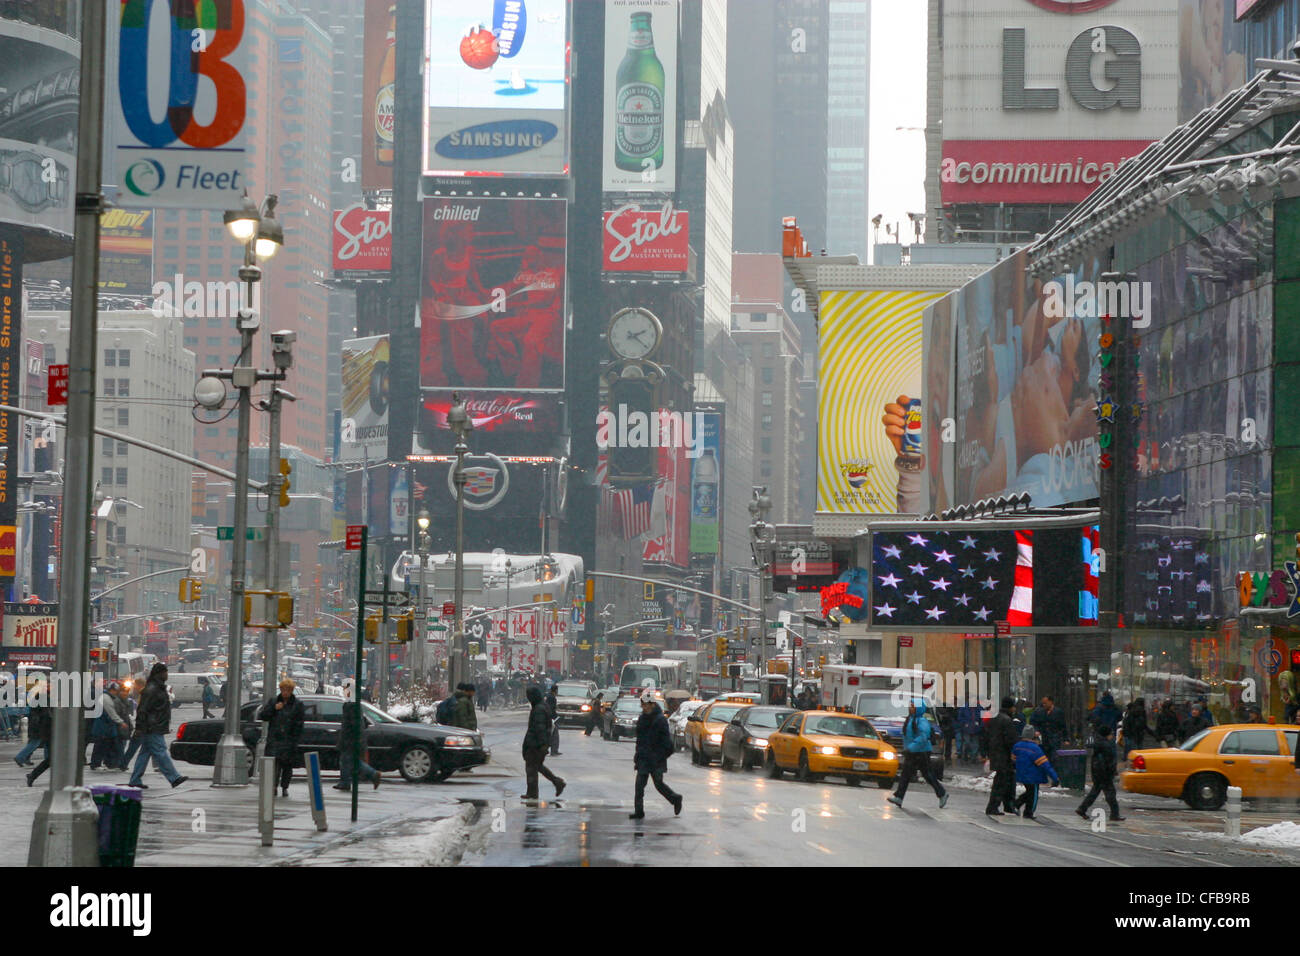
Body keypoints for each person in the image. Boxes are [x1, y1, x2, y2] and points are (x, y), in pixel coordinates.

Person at [127, 663, 189, 789]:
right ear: (159, 673)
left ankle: (135, 780)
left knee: (145, 753)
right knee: (161, 752)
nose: (167, 674)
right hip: (152, 727)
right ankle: (174, 777)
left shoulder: (157, 688)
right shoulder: (152, 689)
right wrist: (139, 727)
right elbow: (142, 709)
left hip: (153, 726)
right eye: (165, 672)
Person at [888, 699, 948, 809]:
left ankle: (942, 793)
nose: (910, 708)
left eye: (913, 706)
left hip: (921, 752)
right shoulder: (911, 719)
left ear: (918, 708)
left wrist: (911, 748)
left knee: (927, 775)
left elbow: (923, 737)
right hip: (913, 751)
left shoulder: (921, 721)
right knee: (906, 774)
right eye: (910, 705)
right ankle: (899, 797)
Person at [631, 689, 682, 819]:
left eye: (646, 705)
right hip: (643, 758)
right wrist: (638, 755)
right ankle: (639, 812)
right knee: (639, 786)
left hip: (655, 760)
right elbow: (640, 739)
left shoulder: (660, 720)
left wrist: (660, 757)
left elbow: (668, 745)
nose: (644, 708)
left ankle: (675, 799)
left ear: (652, 705)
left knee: (659, 785)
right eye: (643, 705)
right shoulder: (642, 719)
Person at [258, 679, 306, 798]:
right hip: (275, 739)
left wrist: (295, 739)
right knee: (274, 766)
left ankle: (285, 787)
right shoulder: (274, 702)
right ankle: (273, 787)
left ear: (291, 691)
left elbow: (299, 723)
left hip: (289, 740)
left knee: (287, 766)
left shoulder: (297, 704)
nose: (285, 692)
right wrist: (274, 708)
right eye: (283, 690)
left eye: (288, 690)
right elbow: (263, 716)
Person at [521, 686, 565, 800]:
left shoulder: (539, 709)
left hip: (535, 744)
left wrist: (542, 745)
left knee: (531, 768)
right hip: (537, 743)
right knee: (537, 767)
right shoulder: (541, 706)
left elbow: (540, 729)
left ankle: (533, 793)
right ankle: (556, 783)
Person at [1076, 722, 1124, 822]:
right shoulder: (1106, 745)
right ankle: (1114, 814)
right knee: (1110, 793)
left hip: (1097, 772)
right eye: (1111, 734)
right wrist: (1112, 771)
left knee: (1095, 791)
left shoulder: (1098, 743)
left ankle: (1082, 808)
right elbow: (1108, 761)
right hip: (1104, 773)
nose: (1112, 736)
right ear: (1107, 734)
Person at [1012, 725, 1059, 820]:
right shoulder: (1035, 749)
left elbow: (1013, 759)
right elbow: (1045, 765)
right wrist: (1055, 777)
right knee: (1033, 795)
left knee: (1029, 792)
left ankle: (1016, 804)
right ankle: (1028, 812)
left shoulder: (1017, 746)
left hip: (1022, 774)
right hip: (1033, 776)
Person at [335, 701, 381, 791]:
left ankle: (373, 774)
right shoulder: (355, 707)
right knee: (349, 761)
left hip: (349, 740)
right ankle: (345, 782)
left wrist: (353, 739)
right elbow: (361, 723)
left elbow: (354, 725)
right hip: (351, 740)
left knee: (348, 760)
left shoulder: (351, 706)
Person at [984, 696, 1019, 816]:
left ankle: (1008, 805)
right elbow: (1010, 740)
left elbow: (986, 735)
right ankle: (994, 806)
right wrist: (1014, 752)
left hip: (996, 753)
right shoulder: (1007, 720)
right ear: (1010, 707)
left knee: (1007, 780)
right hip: (1004, 755)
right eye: (1013, 706)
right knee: (1002, 781)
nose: (1014, 709)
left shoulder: (995, 718)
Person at [89, 682, 129, 771]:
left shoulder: (107, 697)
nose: (116, 692)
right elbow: (111, 713)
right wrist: (121, 722)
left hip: (105, 727)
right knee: (100, 746)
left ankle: (99, 763)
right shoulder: (106, 698)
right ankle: (96, 764)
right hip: (103, 727)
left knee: (102, 746)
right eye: (115, 691)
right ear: (112, 690)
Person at [1029, 695, 1067, 764]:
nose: (1044, 705)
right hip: (1043, 740)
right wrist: (1036, 730)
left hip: (1054, 740)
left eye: (1045, 703)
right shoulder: (1039, 712)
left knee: (1054, 759)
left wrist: (1065, 739)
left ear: (1051, 702)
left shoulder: (1058, 712)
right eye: (1043, 703)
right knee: (1044, 759)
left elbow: (1063, 726)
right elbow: (1034, 723)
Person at [23, 698, 52, 787]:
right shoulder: (43, 700)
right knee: (52, 759)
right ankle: (32, 775)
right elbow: (41, 717)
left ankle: (32, 775)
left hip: (50, 731)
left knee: (52, 759)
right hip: (50, 732)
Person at [545, 684, 561, 756]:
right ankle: (553, 751)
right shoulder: (552, 698)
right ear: (556, 690)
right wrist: (554, 717)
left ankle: (552, 750)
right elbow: (551, 709)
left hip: (549, 718)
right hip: (551, 719)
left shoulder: (549, 696)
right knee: (554, 735)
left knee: (551, 735)